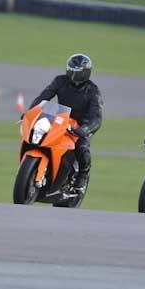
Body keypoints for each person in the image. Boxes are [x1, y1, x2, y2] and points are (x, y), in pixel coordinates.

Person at [28, 53, 104, 192]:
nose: (73, 74)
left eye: (77, 72)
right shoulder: (60, 81)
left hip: (80, 125)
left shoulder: (93, 91)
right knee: (41, 134)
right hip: (60, 118)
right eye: (71, 70)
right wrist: (31, 112)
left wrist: (85, 129)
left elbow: (97, 116)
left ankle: (82, 175)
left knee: (81, 148)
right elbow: (44, 96)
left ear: (85, 73)